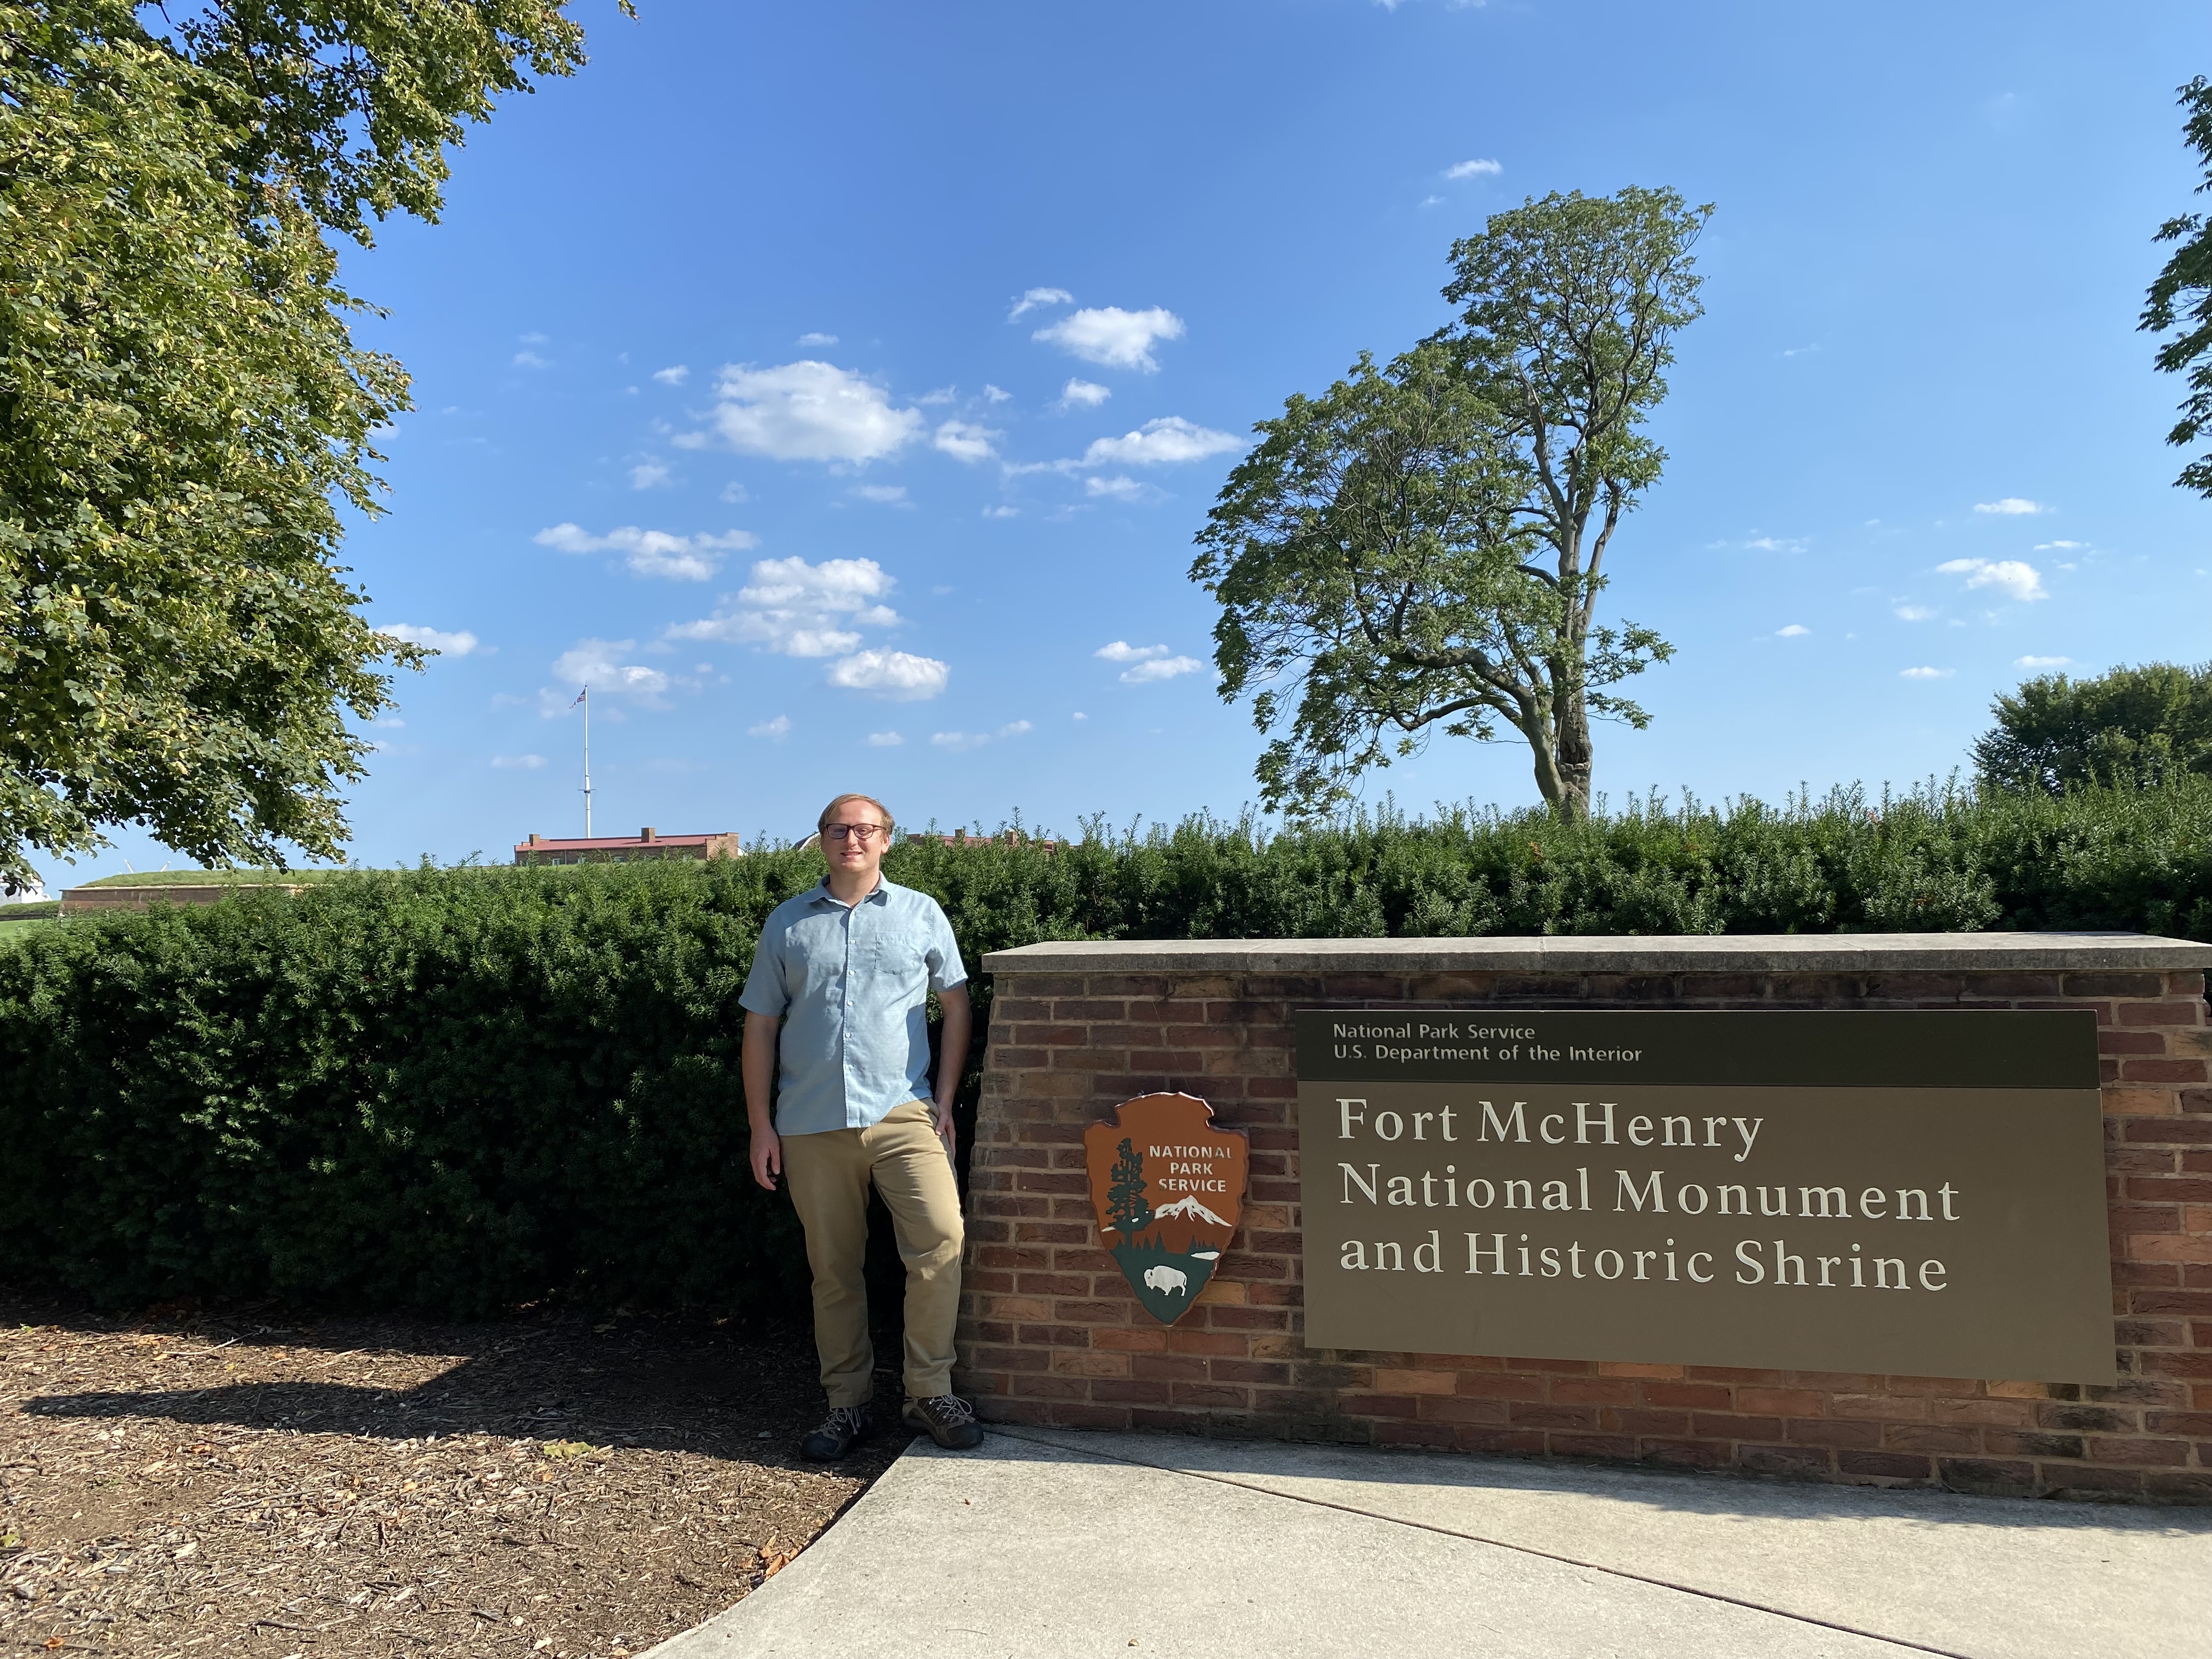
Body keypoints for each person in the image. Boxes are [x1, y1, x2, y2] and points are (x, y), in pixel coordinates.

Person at [741, 792, 981, 1458]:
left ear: (887, 841)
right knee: (834, 1271)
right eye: (840, 829)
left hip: (904, 1114)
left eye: (866, 830)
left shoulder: (921, 914)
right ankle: (846, 1406)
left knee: (942, 1240)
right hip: (811, 1122)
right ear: (821, 840)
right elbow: (760, 1025)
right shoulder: (787, 926)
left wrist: (946, 1099)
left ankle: (929, 1392)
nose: (853, 839)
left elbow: (955, 1006)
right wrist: (762, 1126)